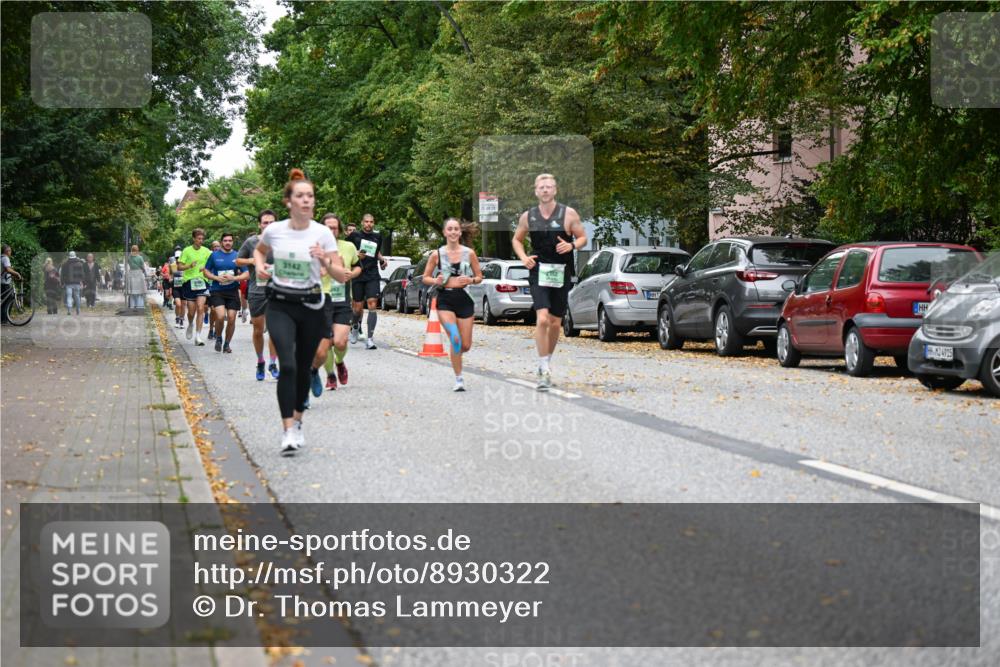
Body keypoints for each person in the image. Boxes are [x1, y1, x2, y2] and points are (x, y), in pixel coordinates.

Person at [253, 168, 351, 455]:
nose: (306, 200)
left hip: (311, 304)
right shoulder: (275, 230)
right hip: (281, 303)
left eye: (310, 196)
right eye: (300, 196)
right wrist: (260, 265)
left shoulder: (323, 234)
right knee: (289, 365)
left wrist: (325, 260)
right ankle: (287, 430)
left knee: (304, 367)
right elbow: (260, 251)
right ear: (289, 201)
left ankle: (297, 422)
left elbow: (341, 275)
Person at [512, 173, 587, 391]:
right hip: (538, 270)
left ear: (555, 190)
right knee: (542, 319)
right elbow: (517, 239)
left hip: (561, 271)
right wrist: (524, 257)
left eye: (549, 187)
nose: (545, 190)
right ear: (536, 191)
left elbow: (582, 237)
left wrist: (572, 246)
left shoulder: (568, 214)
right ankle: (543, 368)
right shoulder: (528, 216)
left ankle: (546, 360)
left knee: (555, 323)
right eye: (541, 187)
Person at [421, 218, 483, 391]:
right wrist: (436, 279)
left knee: (465, 345)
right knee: (455, 339)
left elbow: (479, 277)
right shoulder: (437, 254)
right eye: (450, 229)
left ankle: (456, 355)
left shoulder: (469, 253)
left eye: (456, 229)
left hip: (464, 299)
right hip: (445, 299)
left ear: (460, 232)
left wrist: (471, 279)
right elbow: (425, 278)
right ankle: (459, 379)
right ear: (444, 232)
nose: (454, 232)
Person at [309, 214, 361, 395]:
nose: (331, 231)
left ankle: (339, 362)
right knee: (327, 341)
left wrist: (352, 274)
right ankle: (330, 375)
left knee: (340, 341)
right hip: (322, 298)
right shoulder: (314, 249)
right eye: (328, 228)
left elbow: (357, 265)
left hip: (343, 299)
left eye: (335, 228)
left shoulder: (348, 247)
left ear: (339, 229)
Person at [237, 210, 281, 381]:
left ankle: (272, 363)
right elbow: (238, 260)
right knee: (258, 330)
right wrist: (252, 261)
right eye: (265, 223)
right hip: (257, 291)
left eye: (271, 223)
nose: (268, 226)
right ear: (259, 224)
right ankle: (260, 361)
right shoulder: (251, 242)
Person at [346, 213, 387, 349]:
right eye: (366, 222)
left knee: (372, 303)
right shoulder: (354, 236)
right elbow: (346, 252)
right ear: (362, 223)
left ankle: (370, 339)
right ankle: (355, 326)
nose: (369, 224)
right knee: (357, 308)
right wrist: (356, 254)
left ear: (373, 223)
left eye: (371, 222)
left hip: (372, 274)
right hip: (358, 273)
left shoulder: (377, 237)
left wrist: (382, 260)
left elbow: (376, 253)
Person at [203, 232, 247, 353]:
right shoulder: (214, 256)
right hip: (217, 291)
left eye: (230, 240)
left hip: (232, 291)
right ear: (222, 242)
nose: (228, 242)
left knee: (232, 318)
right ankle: (218, 338)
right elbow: (205, 271)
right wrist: (216, 278)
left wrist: (235, 278)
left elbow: (246, 273)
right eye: (225, 240)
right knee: (221, 316)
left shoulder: (237, 256)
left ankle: (227, 344)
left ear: (232, 242)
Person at [177, 229, 212, 345]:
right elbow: (179, 267)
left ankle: (198, 337)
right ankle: (191, 323)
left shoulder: (206, 251)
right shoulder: (187, 251)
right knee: (191, 312)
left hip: (202, 282)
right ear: (194, 239)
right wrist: (189, 266)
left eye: (202, 239)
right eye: (198, 238)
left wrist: (206, 269)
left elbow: (212, 263)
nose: (201, 241)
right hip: (189, 283)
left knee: (200, 308)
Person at [1, 244, 23, 323]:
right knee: (9, 300)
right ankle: (5, 319)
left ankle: (3, 319)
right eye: (10, 250)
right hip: (4, 283)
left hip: (2, 282)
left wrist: (12, 275)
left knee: (4, 301)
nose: (11, 252)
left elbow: (7, 270)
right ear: (6, 251)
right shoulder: (5, 258)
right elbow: (7, 269)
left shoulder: (1, 258)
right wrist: (17, 274)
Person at [60, 251, 86, 315]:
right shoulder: (80, 264)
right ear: (75, 256)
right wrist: (83, 282)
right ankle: (78, 310)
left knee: (69, 296)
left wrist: (62, 282)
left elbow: (62, 275)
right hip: (77, 283)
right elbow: (82, 274)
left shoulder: (65, 264)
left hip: (68, 283)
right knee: (77, 296)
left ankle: (69, 310)